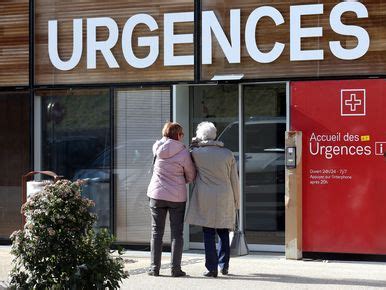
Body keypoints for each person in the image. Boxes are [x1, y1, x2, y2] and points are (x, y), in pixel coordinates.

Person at [186, 121, 240, 277]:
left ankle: (212, 268)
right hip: (225, 194)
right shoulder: (227, 154)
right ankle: (224, 265)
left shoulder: (196, 153)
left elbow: (192, 147)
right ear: (215, 134)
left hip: (205, 196)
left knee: (208, 232)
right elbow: (234, 180)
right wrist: (237, 201)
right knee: (224, 231)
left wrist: (196, 142)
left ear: (200, 136)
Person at [147, 122, 196, 277]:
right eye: (182, 134)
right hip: (177, 197)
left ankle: (154, 268)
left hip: (157, 195)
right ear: (178, 135)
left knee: (156, 232)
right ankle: (176, 269)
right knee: (177, 233)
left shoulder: (157, 149)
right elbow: (191, 175)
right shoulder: (183, 153)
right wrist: (181, 181)